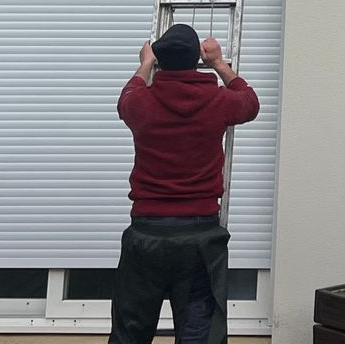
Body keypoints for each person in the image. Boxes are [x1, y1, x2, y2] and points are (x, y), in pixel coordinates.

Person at [110, 22, 260, 344]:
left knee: (130, 334)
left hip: (146, 234)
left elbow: (126, 97)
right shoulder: (219, 101)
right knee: (199, 335)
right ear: (196, 61)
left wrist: (145, 63)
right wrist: (220, 64)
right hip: (200, 239)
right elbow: (250, 101)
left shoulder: (141, 102)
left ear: (161, 62)